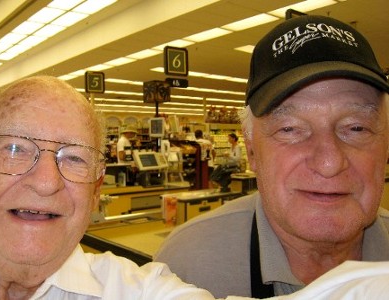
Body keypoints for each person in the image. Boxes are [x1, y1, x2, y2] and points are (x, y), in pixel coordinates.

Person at [154, 14, 389, 298]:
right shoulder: (186, 268)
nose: (329, 163)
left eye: (356, 128)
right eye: (290, 129)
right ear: (252, 150)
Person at [0, 76, 217, 299]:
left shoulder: (137, 291)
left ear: (96, 190)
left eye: (74, 157)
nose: (47, 183)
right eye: (15, 148)